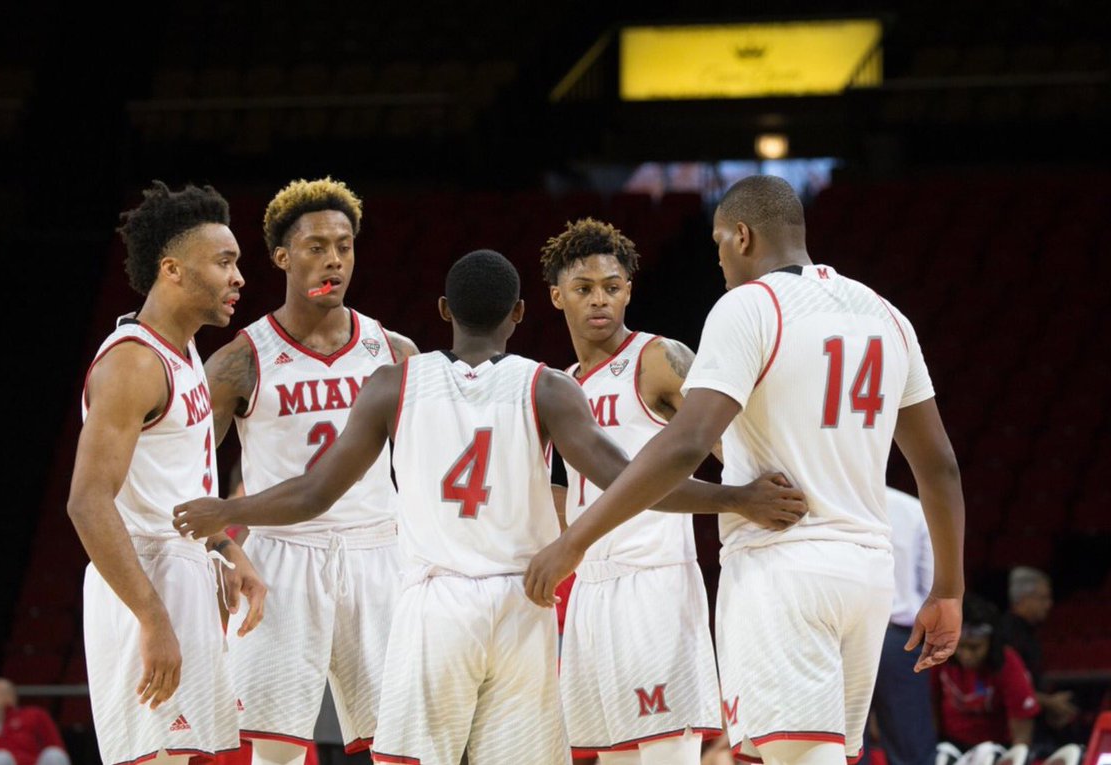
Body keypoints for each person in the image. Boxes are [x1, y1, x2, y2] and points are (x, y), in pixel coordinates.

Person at [174, 249, 806, 765]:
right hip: (521, 604)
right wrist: (736, 497)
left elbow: (314, 493)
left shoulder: (393, 382)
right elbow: (630, 482)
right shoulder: (550, 387)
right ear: (523, 312)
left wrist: (229, 513)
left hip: (433, 605)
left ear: (445, 310)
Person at [525, 175, 967, 765]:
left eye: (718, 247)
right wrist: (950, 589)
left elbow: (684, 446)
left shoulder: (747, 307)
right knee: (787, 755)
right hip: (867, 574)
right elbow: (939, 468)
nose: (719, 263)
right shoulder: (887, 315)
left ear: (741, 236)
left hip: (783, 567)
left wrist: (574, 541)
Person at [200, 177, 417, 765]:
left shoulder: (395, 352)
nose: (334, 260)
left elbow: (430, 468)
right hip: (281, 555)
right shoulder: (240, 361)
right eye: (317, 246)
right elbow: (190, 474)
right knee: (273, 752)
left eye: (344, 246)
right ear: (280, 257)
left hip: (380, 550)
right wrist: (221, 548)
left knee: (404, 742)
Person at [541, 218, 761, 764]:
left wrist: (748, 505)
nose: (600, 301)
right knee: (611, 757)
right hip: (589, 590)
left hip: (654, 584)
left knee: (669, 756)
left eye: (612, 288)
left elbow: (736, 453)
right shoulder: (561, 383)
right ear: (556, 296)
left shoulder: (659, 359)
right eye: (584, 289)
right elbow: (564, 498)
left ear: (629, 290)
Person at [67, 181, 266, 765]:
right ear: (173, 269)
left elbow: (176, 490)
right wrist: (152, 617)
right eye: (224, 261)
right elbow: (87, 502)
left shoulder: (180, 355)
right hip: (146, 581)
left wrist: (230, 552)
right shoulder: (134, 361)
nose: (239, 278)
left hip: (180, 573)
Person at [862, 487, 936, 765]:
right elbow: (931, 586)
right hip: (900, 638)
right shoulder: (912, 508)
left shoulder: (829, 498)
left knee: (845, 745)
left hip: (843, 634)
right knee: (910, 746)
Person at [931, 596, 1039, 749]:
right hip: (951, 745)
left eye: (974, 647)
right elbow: (930, 702)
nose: (966, 655)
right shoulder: (940, 656)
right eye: (960, 647)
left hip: (996, 748)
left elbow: (1022, 735)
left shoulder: (1008, 663)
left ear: (991, 642)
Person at [1000, 568, 1079, 736]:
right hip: (1013, 729)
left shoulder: (1027, 633)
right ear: (1024, 599)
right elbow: (1008, 688)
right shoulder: (1008, 636)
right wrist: (1050, 703)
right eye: (1043, 598)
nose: (1049, 604)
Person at [0, 678, 69, 765]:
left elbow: (57, 747)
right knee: (1, 757)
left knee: (54, 754)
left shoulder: (34, 716)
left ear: (8, 698)